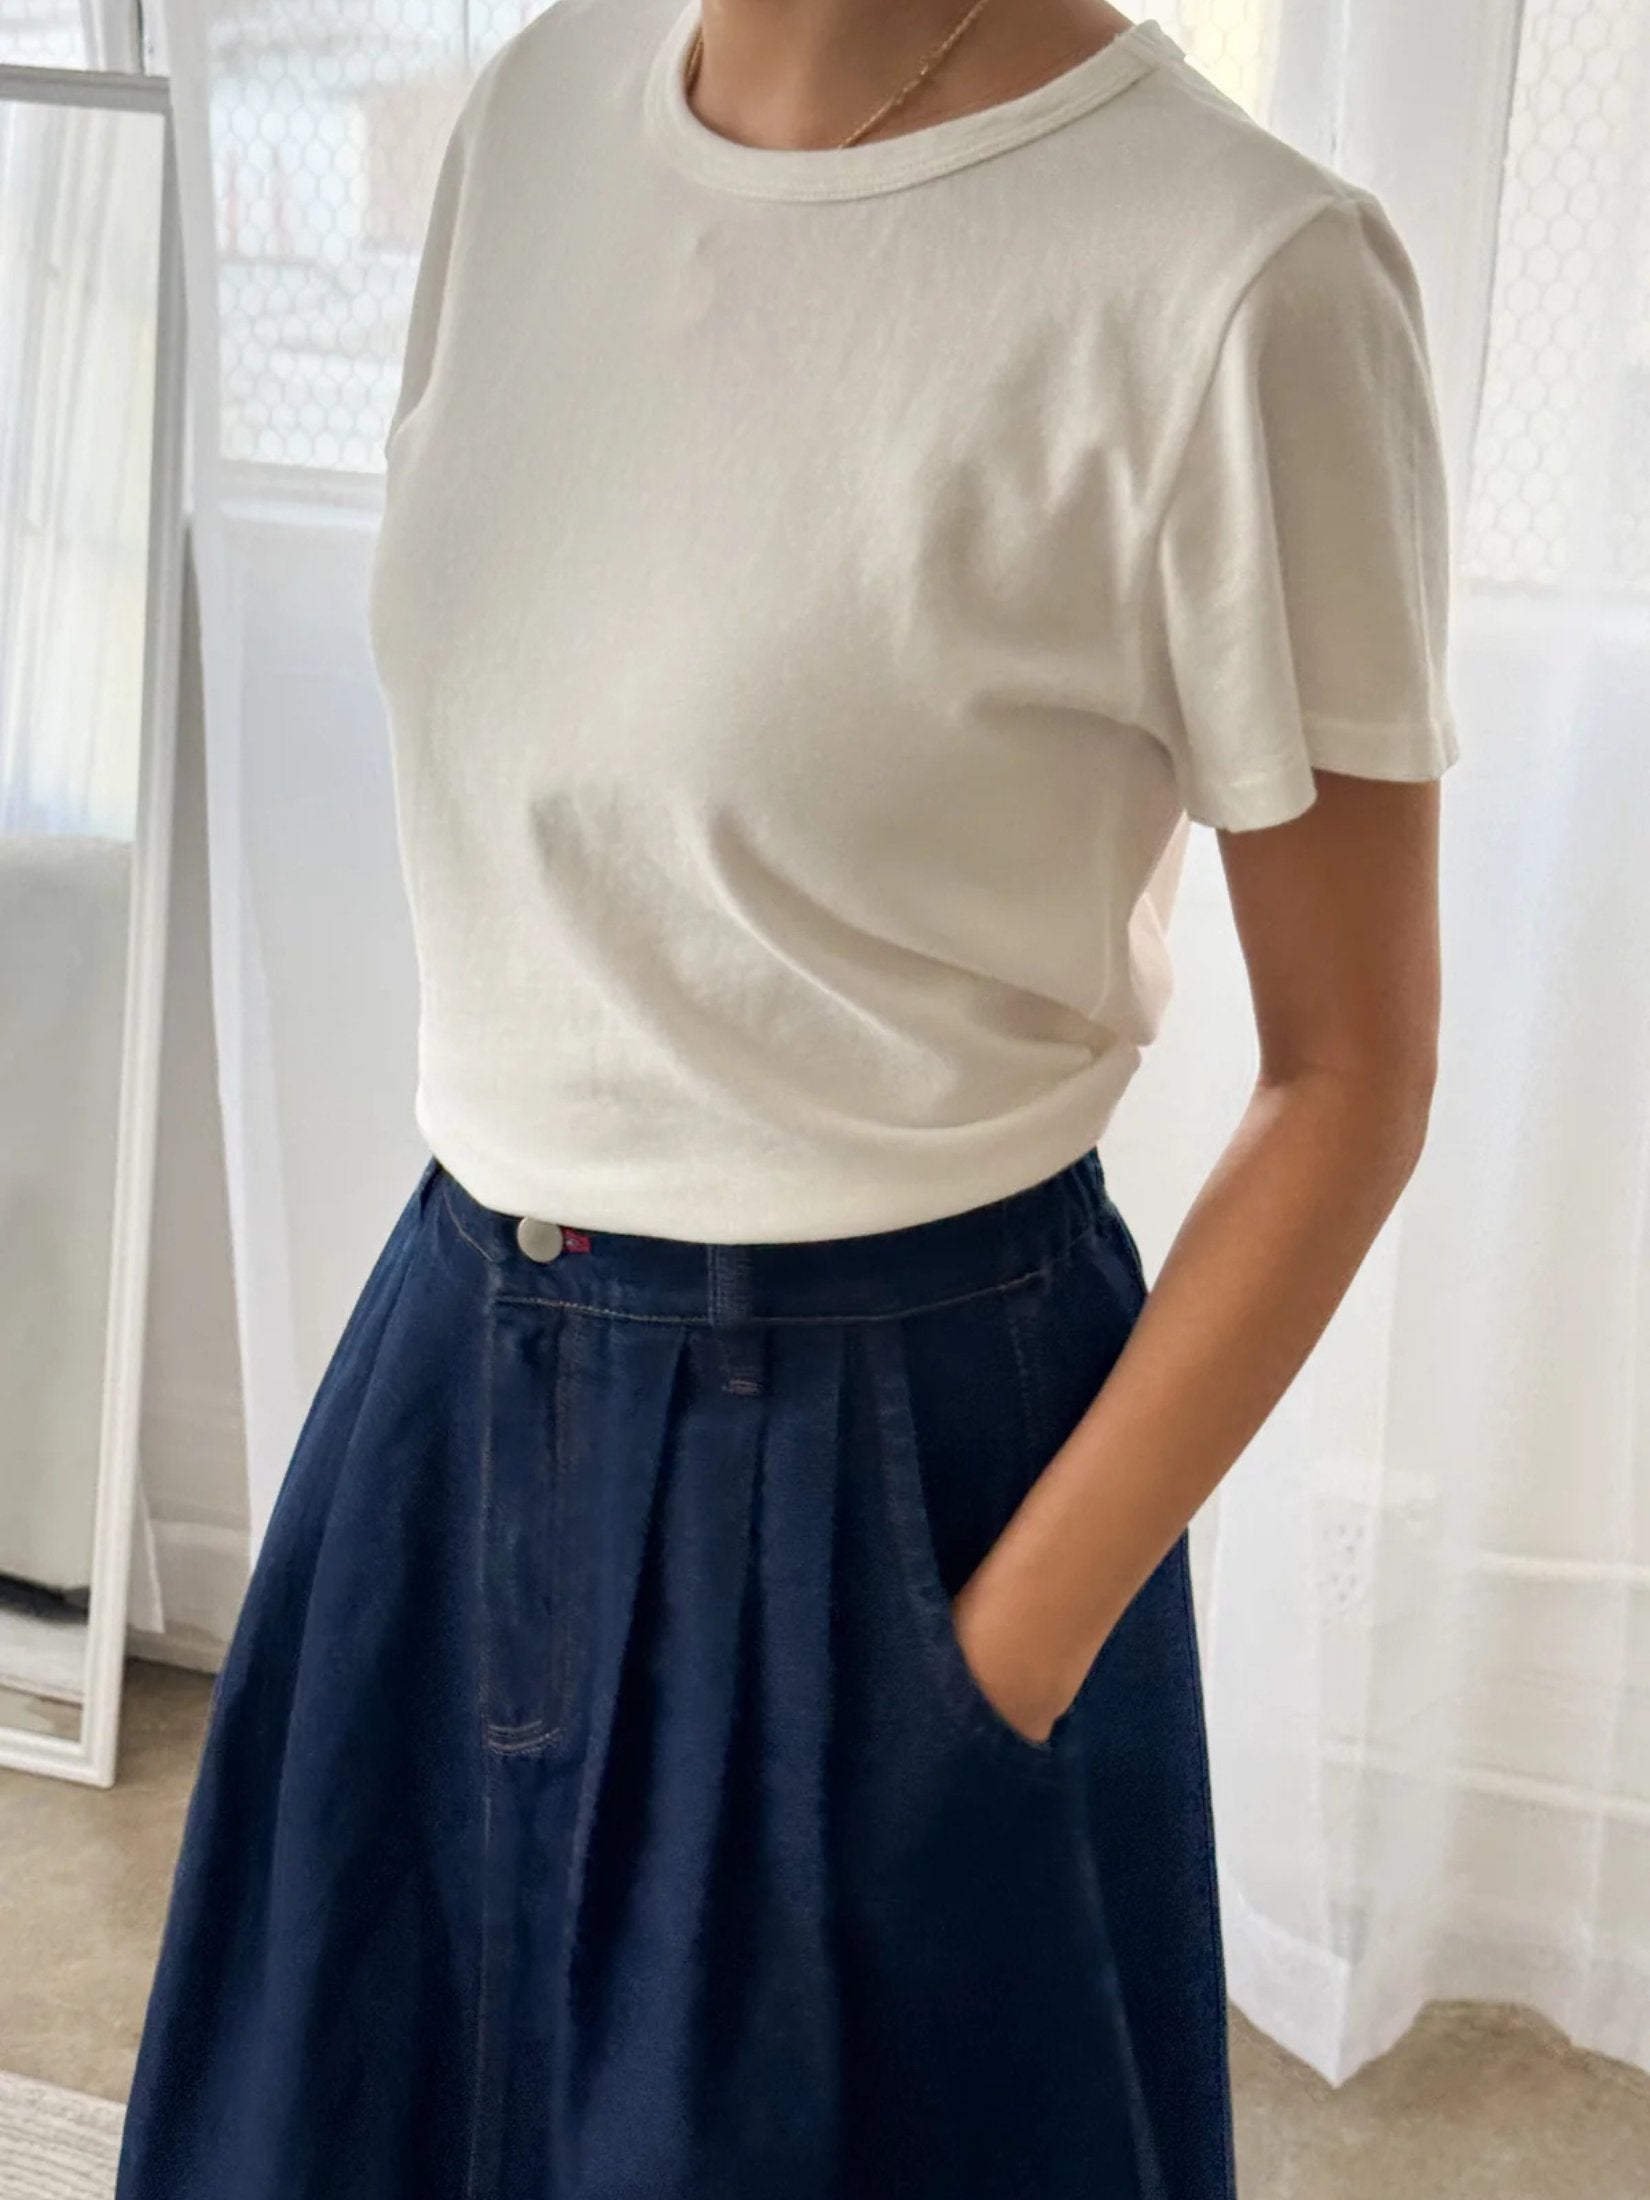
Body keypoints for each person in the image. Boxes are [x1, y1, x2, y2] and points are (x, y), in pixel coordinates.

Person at [114, 2, 1459, 2195]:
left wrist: (991, 1672)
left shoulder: (1235, 276)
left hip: (889, 1469)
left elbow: (1353, 1071)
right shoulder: (541, 110)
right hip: (445, 1394)